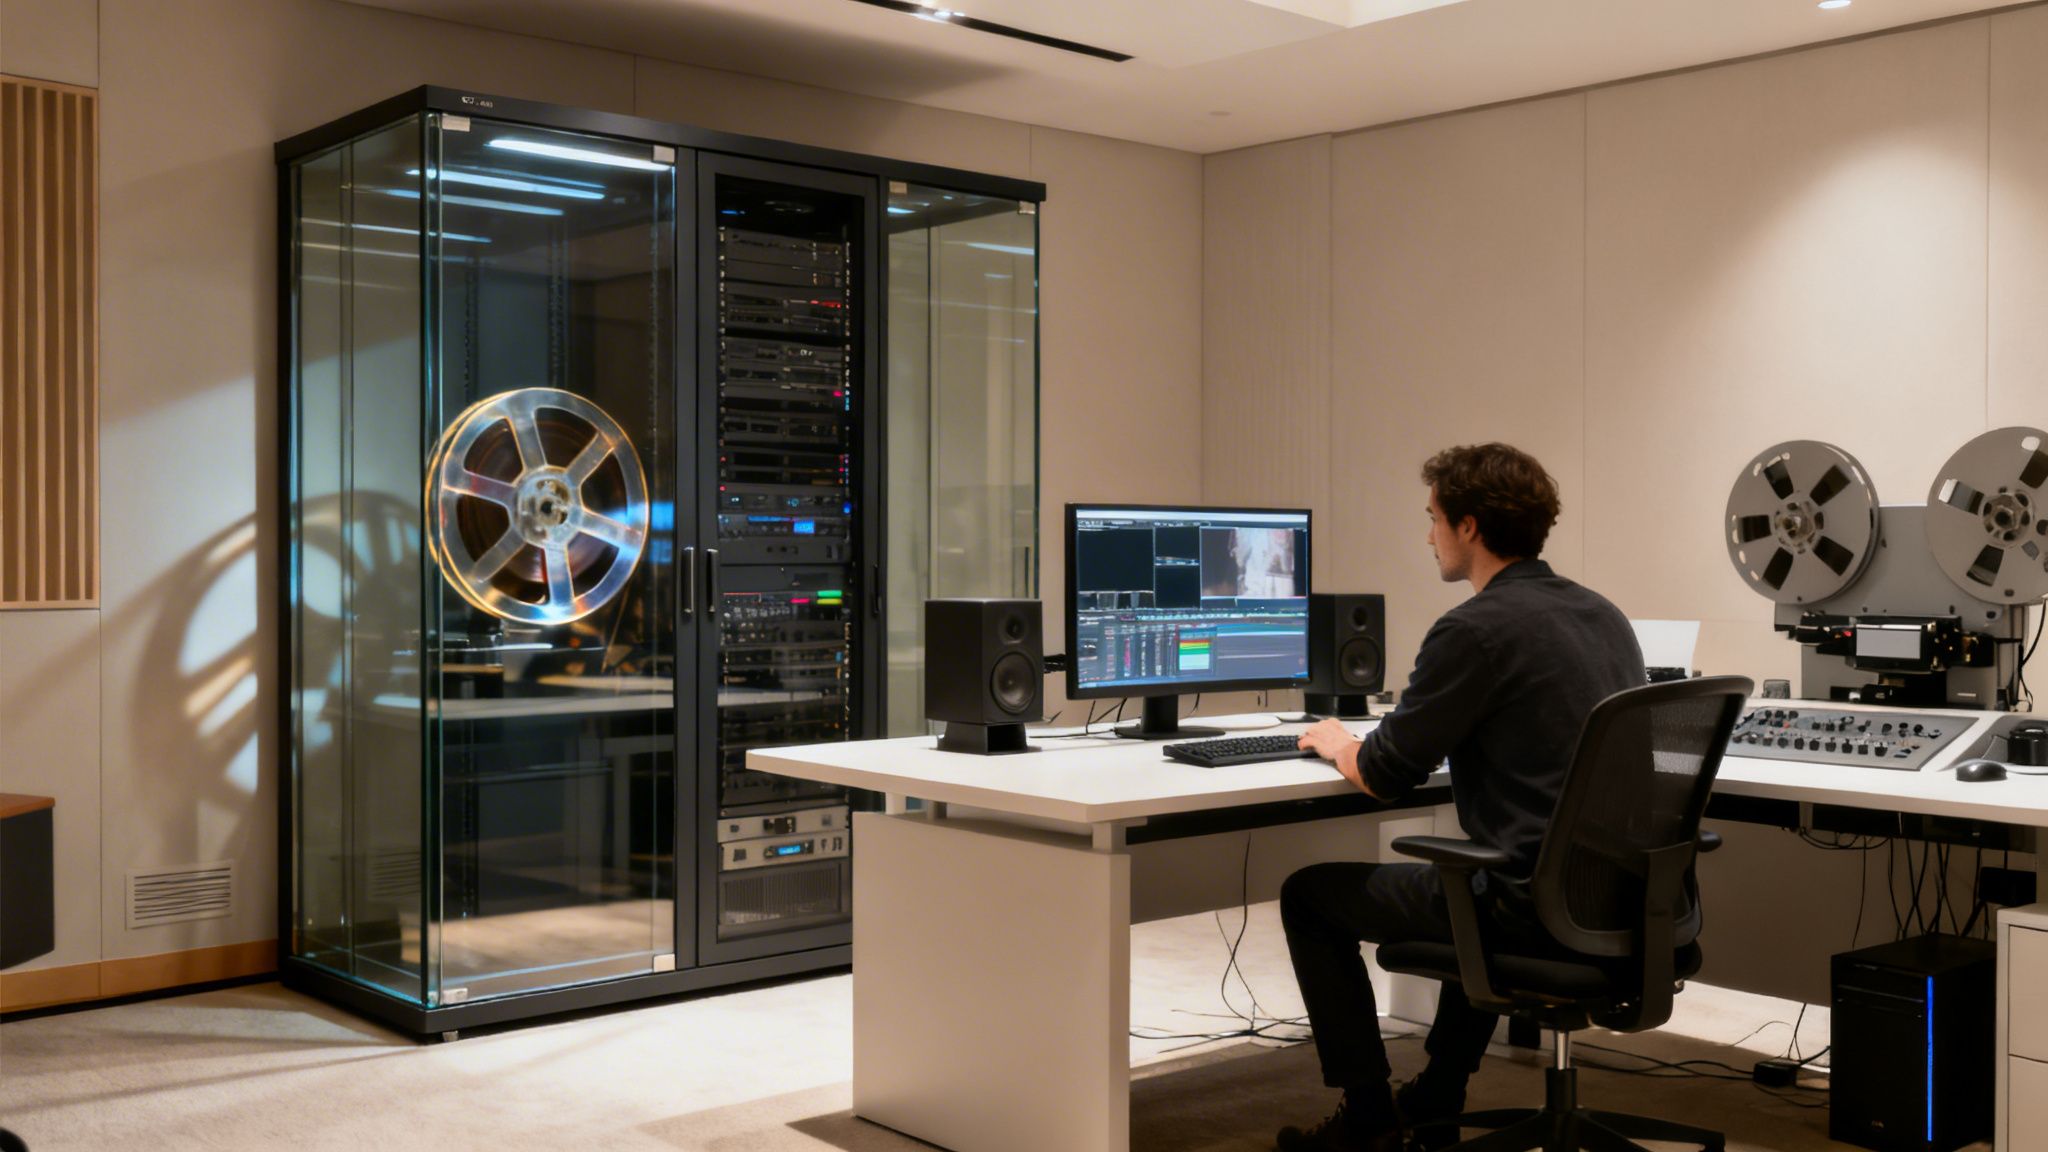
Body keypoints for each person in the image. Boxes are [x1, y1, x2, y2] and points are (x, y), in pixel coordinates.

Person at [1274, 443, 1645, 1152]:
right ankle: (1440, 1093)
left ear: (1469, 527)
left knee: (1309, 897)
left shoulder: (1474, 630)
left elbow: (1386, 771)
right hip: (1619, 896)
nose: (1428, 535)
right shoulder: (1603, 615)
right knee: (1473, 876)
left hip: (1531, 907)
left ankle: (1368, 1118)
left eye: (1434, 518)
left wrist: (1334, 741)